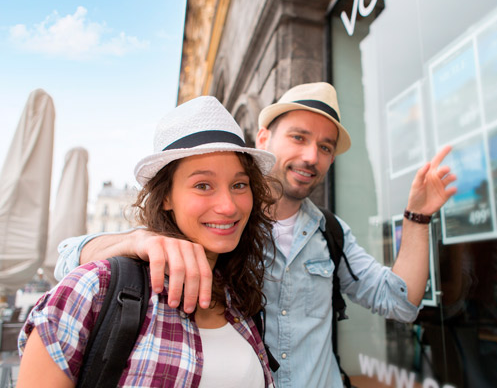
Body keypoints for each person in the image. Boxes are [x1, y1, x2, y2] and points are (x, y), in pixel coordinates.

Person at [55, 82, 457, 387]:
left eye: (326, 146)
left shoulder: (331, 233)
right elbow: (69, 258)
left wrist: (417, 218)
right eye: (299, 137)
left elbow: (400, 302)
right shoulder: (220, 229)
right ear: (263, 140)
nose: (311, 156)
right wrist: (137, 239)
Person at [18, 96, 278, 387]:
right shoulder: (95, 288)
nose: (228, 206)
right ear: (166, 196)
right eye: (203, 185)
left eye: (239, 185)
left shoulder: (238, 296)